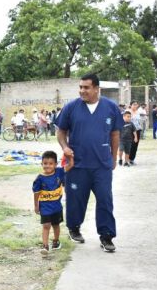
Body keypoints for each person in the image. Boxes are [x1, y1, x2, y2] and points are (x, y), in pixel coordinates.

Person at [56, 73, 124, 252]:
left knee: (105, 200)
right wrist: (64, 146)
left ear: (96, 88)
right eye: (80, 87)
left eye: (86, 87)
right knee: (76, 199)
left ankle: (106, 236)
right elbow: (60, 131)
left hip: (101, 164)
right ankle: (74, 227)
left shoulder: (110, 108)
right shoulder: (71, 107)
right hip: (77, 164)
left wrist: (114, 157)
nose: (82, 91)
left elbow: (115, 134)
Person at [33, 150, 74, 255]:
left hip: (56, 207)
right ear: (41, 164)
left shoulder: (59, 172)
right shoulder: (39, 179)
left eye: (51, 163)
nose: (47, 166)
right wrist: (36, 205)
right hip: (45, 207)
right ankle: (45, 246)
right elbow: (36, 193)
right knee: (46, 225)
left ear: (56, 164)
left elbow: (71, 165)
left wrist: (69, 156)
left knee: (56, 225)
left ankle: (56, 241)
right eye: (45, 163)